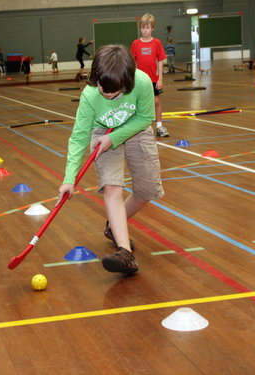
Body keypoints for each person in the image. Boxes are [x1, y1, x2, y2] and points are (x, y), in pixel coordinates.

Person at [57, 44, 164, 275]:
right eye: (102, 88)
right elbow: (78, 138)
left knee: (148, 191)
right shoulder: (90, 95)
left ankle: (113, 225)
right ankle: (125, 252)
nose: (106, 93)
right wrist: (69, 178)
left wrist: (114, 137)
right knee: (111, 187)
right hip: (101, 131)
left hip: (136, 127)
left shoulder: (142, 81)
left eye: (114, 91)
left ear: (127, 82)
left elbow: (146, 116)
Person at [131, 13, 169, 138]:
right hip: (140, 80)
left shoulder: (157, 43)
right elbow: (133, 62)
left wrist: (160, 79)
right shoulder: (135, 43)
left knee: (156, 101)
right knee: (139, 103)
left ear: (152, 28)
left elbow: (160, 61)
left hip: (153, 79)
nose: (145, 30)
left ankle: (159, 126)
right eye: (142, 27)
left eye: (147, 28)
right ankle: (138, 127)